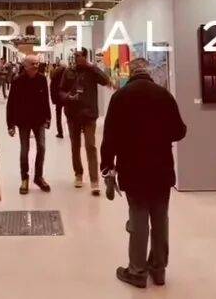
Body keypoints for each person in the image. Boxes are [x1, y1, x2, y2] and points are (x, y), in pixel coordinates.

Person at [100, 58, 187, 288]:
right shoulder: (164, 95)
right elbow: (179, 131)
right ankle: (159, 269)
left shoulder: (120, 97)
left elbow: (110, 136)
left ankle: (137, 271)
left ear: (131, 73)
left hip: (132, 168)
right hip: (161, 168)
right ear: (149, 72)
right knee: (160, 218)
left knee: (138, 217)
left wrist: (107, 165)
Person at [59, 48, 111, 195]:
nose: (76, 58)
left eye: (79, 56)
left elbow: (105, 80)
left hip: (89, 114)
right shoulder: (68, 71)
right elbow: (61, 90)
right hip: (73, 114)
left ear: (85, 57)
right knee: (75, 146)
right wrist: (68, 97)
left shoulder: (92, 71)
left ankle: (94, 181)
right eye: (75, 56)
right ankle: (78, 174)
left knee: (90, 146)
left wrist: (92, 67)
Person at [6, 55, 52, 194]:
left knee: (42, 147)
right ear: (25, 66)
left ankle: (38, 177)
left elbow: (45, 99)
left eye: (37, 63)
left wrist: (48, 118)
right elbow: (11, 103)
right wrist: (10, 124)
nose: (36, 66)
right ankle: (24, 178)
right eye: (33, 63)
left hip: (39, 120)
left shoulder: (42, 79)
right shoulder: (17, 81)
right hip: (23, 121)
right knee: (24, 150)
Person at [49, 61, 67, 139]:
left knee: (58, 115)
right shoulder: (68, 73)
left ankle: (60, 132)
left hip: (58, 97)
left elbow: (52, 86)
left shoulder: (56, 73)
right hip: (66, 96)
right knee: (69, 114)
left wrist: (53, 98)